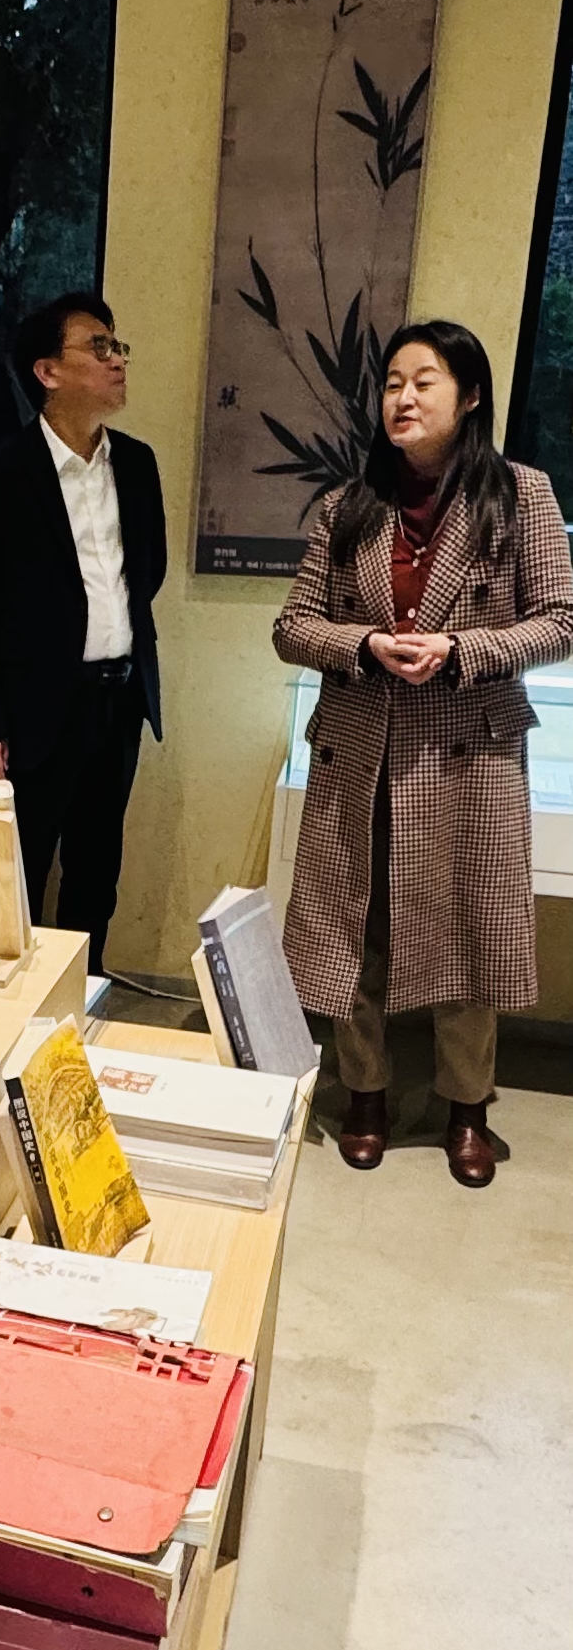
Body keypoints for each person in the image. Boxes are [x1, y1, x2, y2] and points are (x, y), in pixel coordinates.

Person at [273, 320, 573, 1188]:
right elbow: (292, 626)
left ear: (470, 396)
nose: (402, 398)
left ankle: (467, 1107)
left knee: (469, 928)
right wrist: (366, 644)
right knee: (355, 928)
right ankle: (364, 1092)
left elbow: (561, 620)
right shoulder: (349, 503)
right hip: (361, 748)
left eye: (424, 381)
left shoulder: (521, 493)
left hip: (469, 752)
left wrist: (462, 649)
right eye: (393, 382)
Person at [0, 291, 166, 976]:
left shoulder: (137, 464)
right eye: (98, 348)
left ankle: (83, 993)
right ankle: (18, 1007)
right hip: (34, 708)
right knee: (24, 867)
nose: (116, 360)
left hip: (118, 700)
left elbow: (147, 573)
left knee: (97, 871)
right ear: (48, 371)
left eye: (117, 346)